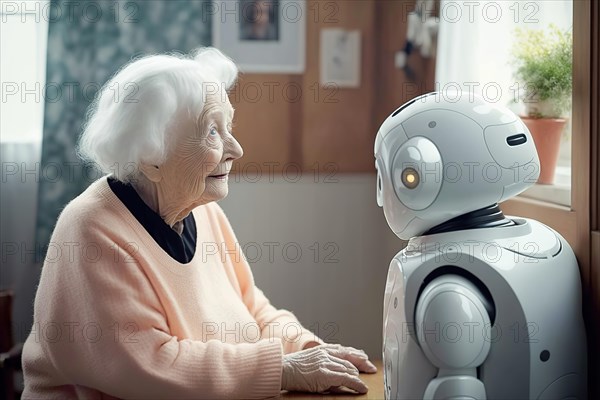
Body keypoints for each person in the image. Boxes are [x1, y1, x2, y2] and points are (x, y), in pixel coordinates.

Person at [21, 47, 376, 399]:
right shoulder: (92, 230)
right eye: (211, 132)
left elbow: (252, 309)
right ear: (150, 158)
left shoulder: (202, 211)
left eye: (229, 127)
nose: (235, 149)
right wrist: (283, 370)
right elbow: (150, 364)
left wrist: (307, 348)